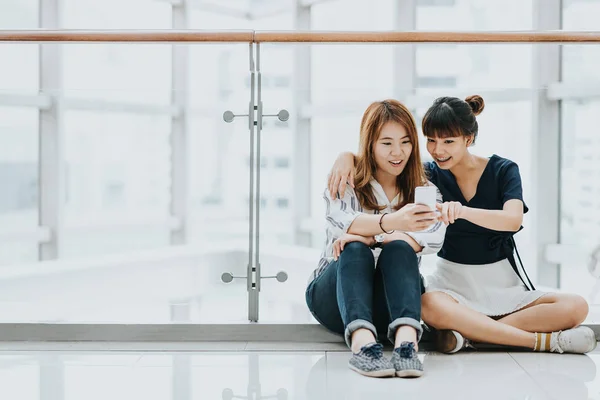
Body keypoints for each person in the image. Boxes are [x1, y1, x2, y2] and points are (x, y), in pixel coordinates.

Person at [327, 95, 597, 355]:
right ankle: (541, 342)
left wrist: (464, 212)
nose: (438, 150)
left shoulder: (503, 170)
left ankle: (470, 336)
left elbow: (512, 220)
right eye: (431, 141)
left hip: (502, 281)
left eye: (448, 141)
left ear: (468, 139)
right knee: (428, 305)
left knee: (576, 307)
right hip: (451, 284)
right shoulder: (428, 175)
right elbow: (385, 160)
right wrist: (346, 156)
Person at [306, 99, 446, 378]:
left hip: (391, 303)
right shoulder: (345, 180)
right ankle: (363, 347)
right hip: (335, 298)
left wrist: (376, 236)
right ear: (369, 144)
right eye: (386, 143)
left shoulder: (424, 189)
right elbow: (342, 225)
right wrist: (394, 224)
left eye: (405, 142)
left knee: (398, 248)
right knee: (355, 248)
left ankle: (407, 345)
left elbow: (433, 236)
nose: (397, 153)